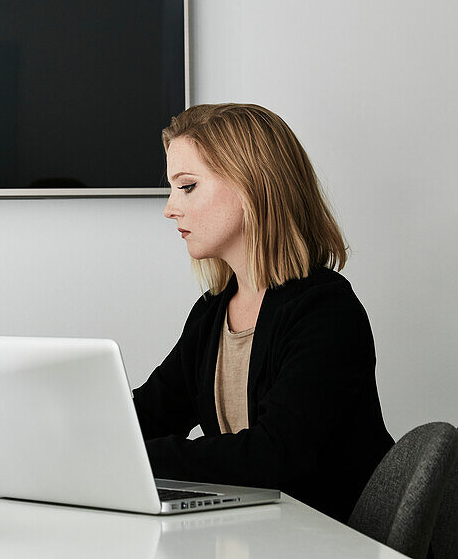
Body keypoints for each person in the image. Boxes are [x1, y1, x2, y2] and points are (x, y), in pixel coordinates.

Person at [132, 103, 393, 524]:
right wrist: (71, 436)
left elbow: (274, 456)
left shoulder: (325, 310)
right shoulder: (212, 313)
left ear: (251, 186)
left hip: (330, 543)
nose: (169, 208)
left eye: (187, 187)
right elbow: (150, 414)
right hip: (260, 536)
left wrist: (129, 454)